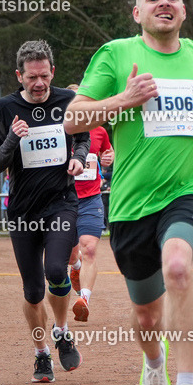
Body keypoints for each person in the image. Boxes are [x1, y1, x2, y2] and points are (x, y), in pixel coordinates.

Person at [65, 0, 193, 385]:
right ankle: (154, 361)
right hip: (131, 204)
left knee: (178, 267)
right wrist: (126, 98)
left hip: (187, 186)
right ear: (137, 13)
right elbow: (73, 119)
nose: (164, 3)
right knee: (146, 317)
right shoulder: (116, 54)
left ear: (183, 11)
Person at [0, 39, 89, 383]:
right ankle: (41, 354)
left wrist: (79, 157)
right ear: (20, 76)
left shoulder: (69, 100)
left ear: (52, 72)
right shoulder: (4, 108)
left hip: (61, 203)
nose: (39, 83)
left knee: (56, 270)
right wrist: (12, 138)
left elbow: (83, 137)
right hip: (23, 211)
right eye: (32, 78)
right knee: (32, 292)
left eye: (44, 76)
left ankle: (62, 331)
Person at [68, 123, 114, 322]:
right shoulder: (59, 130)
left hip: (91, 200)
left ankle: (84, 299)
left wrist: (109, 157)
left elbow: (108, 152)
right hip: (64, 200)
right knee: (70, 256)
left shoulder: (99, 131)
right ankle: (76, 265)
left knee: (90, 248)